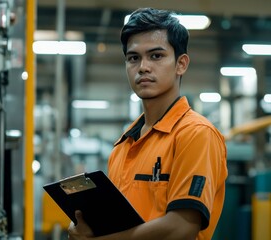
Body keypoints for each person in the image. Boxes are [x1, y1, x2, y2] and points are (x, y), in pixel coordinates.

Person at [68, 7, 228, 240]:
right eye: (134, 58)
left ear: (181, 64)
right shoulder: (124, 145)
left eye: (156, 56)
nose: (143, 66)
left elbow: (181, 228)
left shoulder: (195, 134)